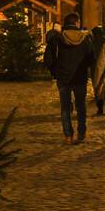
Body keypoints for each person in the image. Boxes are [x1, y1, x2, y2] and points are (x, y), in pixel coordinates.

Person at [44, 12, 96, 144]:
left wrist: (55, 72)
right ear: (77, 23)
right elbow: (91, 59)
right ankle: (81, 133)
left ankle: (68, 135)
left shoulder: (57, 39)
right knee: (81, 106)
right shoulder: (85, 39)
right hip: (80, 77)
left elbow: (48, 60)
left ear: (65, 24)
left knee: (65, 107)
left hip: (63, 78)